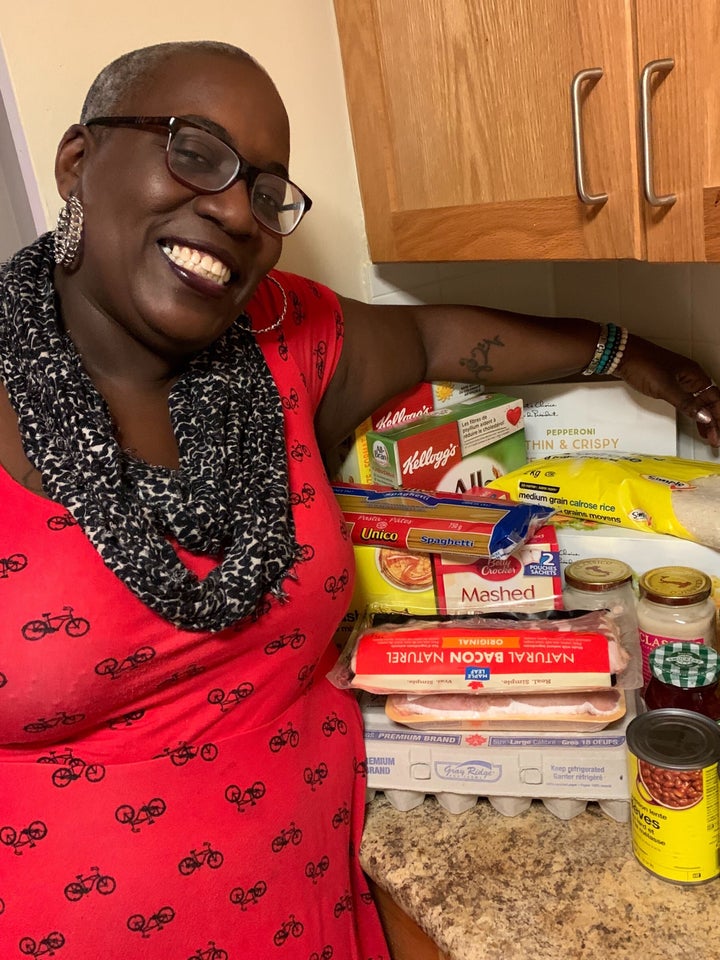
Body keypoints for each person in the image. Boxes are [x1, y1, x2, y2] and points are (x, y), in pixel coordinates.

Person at [1, 39, 718, 960]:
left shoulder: (281, 343)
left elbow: (430, 338)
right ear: (77, 162)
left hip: (317, 903)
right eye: (194, 150)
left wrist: (647, 356)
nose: (232, 208)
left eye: (265, 191)